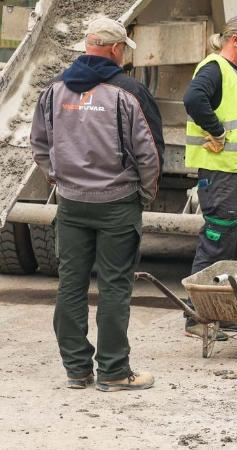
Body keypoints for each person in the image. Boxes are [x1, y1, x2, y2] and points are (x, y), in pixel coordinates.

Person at [30, 17, 163, 391]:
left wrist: (58, 178)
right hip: (117, 203)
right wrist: (144, 195)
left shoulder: (53, 90)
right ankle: (113, 371)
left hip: (72, 203)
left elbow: (39, 144)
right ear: (117, 49)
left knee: (71, 285)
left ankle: (76, 370)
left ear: (87, 46)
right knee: (114, 287)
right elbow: (150, 154)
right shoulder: (129, 92)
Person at [182, 15, 237, 338]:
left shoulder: (234, 71)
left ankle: (223, 313)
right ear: (235, 40)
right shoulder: (214, 68)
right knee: (216, 244)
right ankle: (197, 318)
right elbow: (193, 99)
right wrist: (216, 131)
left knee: (235, 246)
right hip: (221, 175)